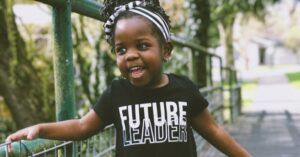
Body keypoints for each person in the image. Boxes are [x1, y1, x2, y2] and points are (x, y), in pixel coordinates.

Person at [6, 0, 251, 156]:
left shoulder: (184, 89)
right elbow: (82, 127)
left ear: (166, 50)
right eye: (121, 50)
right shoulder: (117, 93)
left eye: (142, 46)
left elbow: (214, 132)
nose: (130, 56)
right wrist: (40, 129)